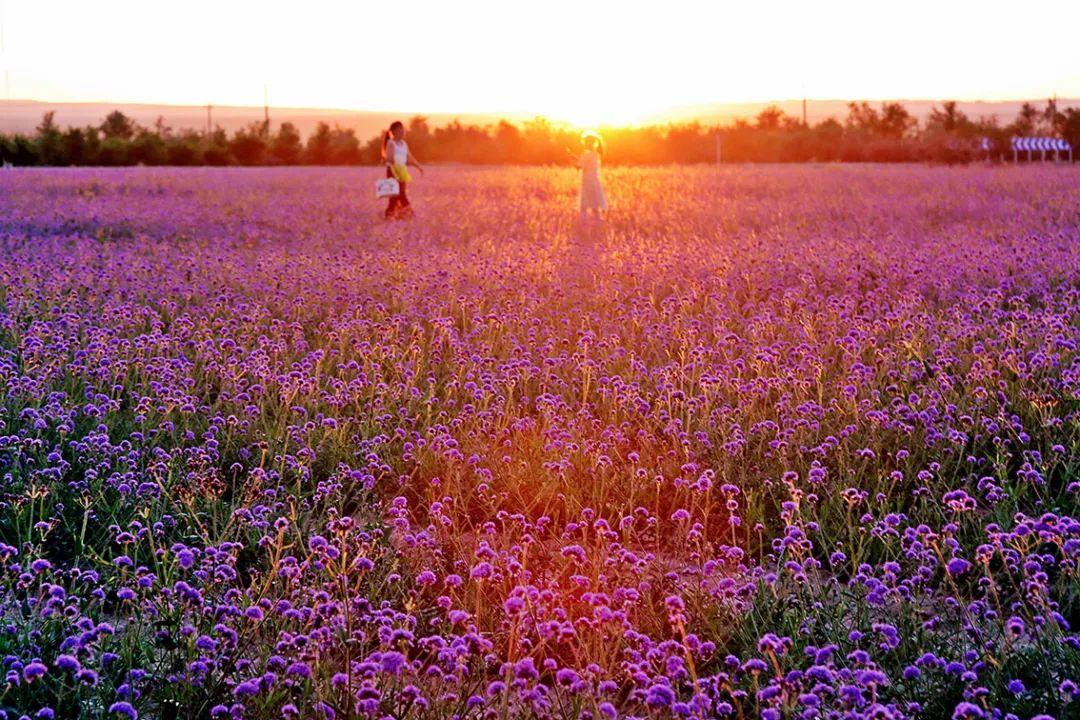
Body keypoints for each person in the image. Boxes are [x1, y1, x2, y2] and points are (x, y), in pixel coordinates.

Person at [381, 120, 424, 219]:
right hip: (393, 171)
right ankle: (409, 215)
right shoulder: (391, 143)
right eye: (401, 129)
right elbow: (390, 159)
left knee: (396, 195)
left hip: (402, 171)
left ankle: (392, 215)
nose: (403, 131)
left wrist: (418, 166)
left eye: (403, 129)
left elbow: (409, 156)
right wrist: (393, 161)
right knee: (399, 194)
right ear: (395, 131)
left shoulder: (403, 143)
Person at [568, 130, 607, 224]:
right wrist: (576, 158)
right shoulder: (596, 154)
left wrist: (571, 159)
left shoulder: (585, 154)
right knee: (595, 201)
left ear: (585, 143)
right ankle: (598, 220)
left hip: (586, 181)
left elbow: (579, 167)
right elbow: (586, 164)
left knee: (584, 203)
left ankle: (583, 221)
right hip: (595, 180)